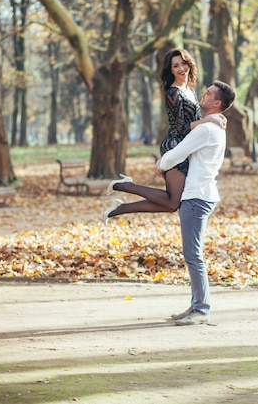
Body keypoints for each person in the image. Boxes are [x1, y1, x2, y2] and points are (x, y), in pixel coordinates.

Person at [102, 48, 225, 222]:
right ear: (171, 70)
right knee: (173, 202)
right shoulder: (173, 92)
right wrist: (210, 119)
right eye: (176, 66)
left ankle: (120, 206)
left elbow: (195, 120)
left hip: (186, 147)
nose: (182, 68)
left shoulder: (189, 89)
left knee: (172, 203)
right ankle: (125, 187)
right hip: (175, 144)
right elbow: (182, 127)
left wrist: (213, 117)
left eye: (183, 63)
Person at [153, 80, 235, 326]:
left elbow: (179, 151)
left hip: (197, 196)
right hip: (200, 194)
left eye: (209, 93)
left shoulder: (207, 130)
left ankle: (201, 309)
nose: (204, 93)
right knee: (192, 254)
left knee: (194, 255)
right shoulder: (213, 128)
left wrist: (162, 164)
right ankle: (196, 306)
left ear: (217, 103)